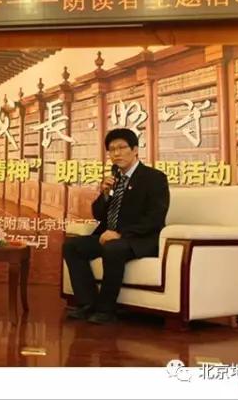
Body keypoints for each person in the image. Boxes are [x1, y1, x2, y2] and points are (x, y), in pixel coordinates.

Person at [63, 128, 170, 324]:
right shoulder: (115, 179)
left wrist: (120, 234)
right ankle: (87, 303)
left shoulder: (154, 178)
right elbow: (98, 215)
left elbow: (155, 217)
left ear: (135, 150)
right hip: (110, 236)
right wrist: (104, 194)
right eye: (112, 149)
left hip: (140, 238)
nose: (116, 153)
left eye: (121, 148)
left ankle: (106, 310)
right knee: (72, 246)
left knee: (113, 248)